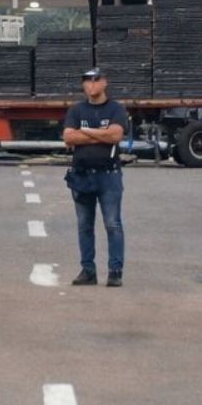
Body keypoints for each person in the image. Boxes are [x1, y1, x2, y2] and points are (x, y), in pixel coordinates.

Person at [61, 68, 128, 288]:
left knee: (113, 224)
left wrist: (86, 133)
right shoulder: (77, 110)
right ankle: (88, 270)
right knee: (84, 225)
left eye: (95, 80)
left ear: (105, 83)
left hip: (108, 176)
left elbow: (116, 135)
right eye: (87, 81)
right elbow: (68, 137)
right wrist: (102, 135)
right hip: (82, 175)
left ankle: (115, 271)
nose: (91, 85)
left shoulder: (116, 109)